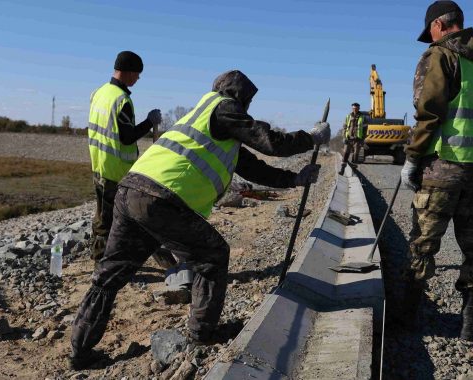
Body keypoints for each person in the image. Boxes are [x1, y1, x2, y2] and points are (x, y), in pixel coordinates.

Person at [69, 70, 331, 369]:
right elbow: (270, 141)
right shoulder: (222, 107)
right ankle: (202, 334)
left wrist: (294, 179)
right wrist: (311, 138)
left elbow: (252, 167)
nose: (246, 107)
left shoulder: (205, 123)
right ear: (236, 95)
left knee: (108, 276)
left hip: (131, 192)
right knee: (212, 254)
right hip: (161, 199)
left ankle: (80, 352)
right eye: (246, 100)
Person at [400, 1, 473, 341]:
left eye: (431, 33)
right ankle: (470, 323)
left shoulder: (440, 55)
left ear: (440, 26)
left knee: (423, 244)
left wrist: (412, 157)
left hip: (443, 163)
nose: (430, 40)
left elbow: (429, 110)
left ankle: (407, 321)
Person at [88, 51, 163, 264]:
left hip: (99, 164)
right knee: (109, 219)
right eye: (137, 74)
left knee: (102, 215)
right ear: (128, 72)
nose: (138, 78)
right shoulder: (122, 100)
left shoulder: (99, 93)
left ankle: (102, 258)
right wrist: (150, 121)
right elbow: (128, 137)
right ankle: (102, 264)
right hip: (116, 170)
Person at [339, 102, 364, 175]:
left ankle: (353, 171)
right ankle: (342, 170)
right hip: (349, 139)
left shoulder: (362, 117)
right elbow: (344, 127)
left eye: (356, 108)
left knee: (355, 154)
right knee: (346, 153)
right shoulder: (348, 116)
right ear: (352, 108)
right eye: (353, 108)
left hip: (357, 139)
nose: (355, 109)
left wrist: (363, 139)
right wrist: (344, 136)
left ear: (359, 108)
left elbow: (365, 128)